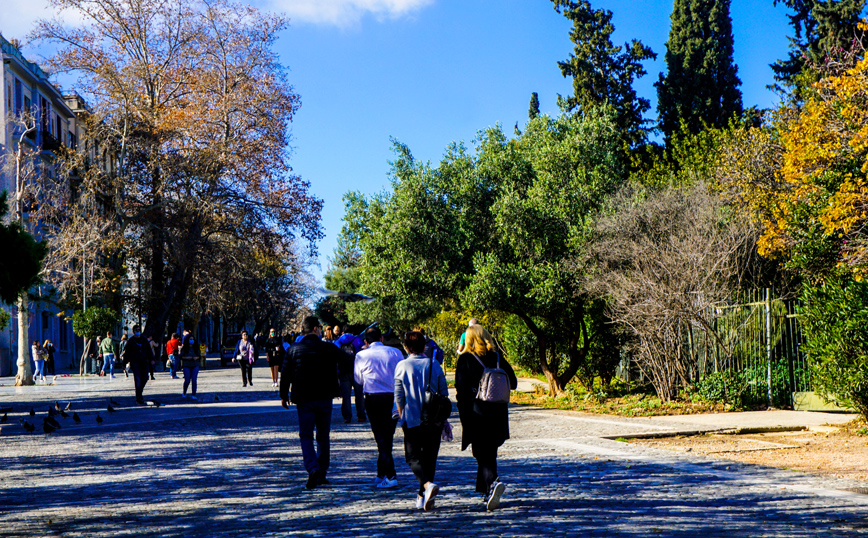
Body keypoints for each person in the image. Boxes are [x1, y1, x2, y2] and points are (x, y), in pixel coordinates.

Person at [455, 324, 518, 511]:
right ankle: (486, 491)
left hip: (477, 411)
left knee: (480, 453)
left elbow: (461, 390)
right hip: (498, 411)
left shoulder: (465, 359)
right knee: (489, 451)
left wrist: (462, 413)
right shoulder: (497, 357)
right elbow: (513, 383)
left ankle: (493, 482)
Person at [280, 316, 344, 489]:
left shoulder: (293, 349)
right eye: (320, 327)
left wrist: (283, 395)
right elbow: (346, 361)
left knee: (306, 435)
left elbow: (285, 374)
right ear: (315, 329)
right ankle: (322, 472)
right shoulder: (329, 348)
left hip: (304, 398)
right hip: (324, 398)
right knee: (323, 436)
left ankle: (312, 468)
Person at [394, 330, 449, 511]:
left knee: (412, 457)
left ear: (407, 347)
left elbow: (399, 396)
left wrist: (401, 416)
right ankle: (422, 496)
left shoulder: (402, 366)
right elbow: (444, 393)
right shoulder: (434, 364)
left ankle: (426, 486)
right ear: (424, 346)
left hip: (412, 419)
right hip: (434, 419)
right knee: (430, 458)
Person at [354, 326, 404, 489]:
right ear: (381, 338)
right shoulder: (395, 352)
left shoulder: (361, 355)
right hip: (393, 397)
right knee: (387, 436)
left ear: (365, 341)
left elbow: (359, 380)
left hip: (373, 398)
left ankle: (390, 475)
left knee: (381, 437)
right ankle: (381, 472)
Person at [335, 325, 366, 423]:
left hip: (343, 372)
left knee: (346, 396)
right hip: (356, 371)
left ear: (342, 333)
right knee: (359, 395)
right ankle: (361, 415)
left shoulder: (337, 342)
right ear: (352, 332)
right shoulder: (357, 340)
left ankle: (347, 417)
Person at [121, 325, 155, 405]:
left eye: (139, 330)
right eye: (136, 330)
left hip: (144, 362)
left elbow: (149, 350)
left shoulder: (144, 340)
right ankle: (138, 397)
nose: (138, 331)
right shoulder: (131, 341)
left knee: (145, 378)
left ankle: (139, 392)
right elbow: (127, 353)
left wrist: (152, 359)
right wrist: (124, 363)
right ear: (133, 331)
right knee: (138, 379)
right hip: (135, 362)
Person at [179, 329, 200, 399]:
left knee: (194, 379)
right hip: (186, 365)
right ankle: (184, 392)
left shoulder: (196, 347)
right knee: (187, 380)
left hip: (195, 364)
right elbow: (180, 356)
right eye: (190, 339)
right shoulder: (184, 348)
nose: (191, 340)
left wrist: (196, 358)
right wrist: (186, 358)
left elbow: (199, 356)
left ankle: (194, 394)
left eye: (192, 339)